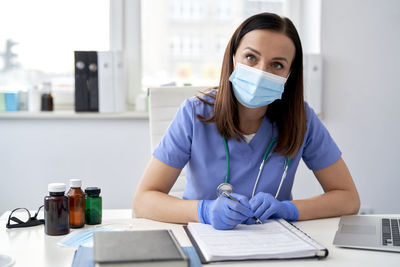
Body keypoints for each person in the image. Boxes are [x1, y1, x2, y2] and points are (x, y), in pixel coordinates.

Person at [133, 12, 360, 230]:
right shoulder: (194, 113)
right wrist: (204, 211)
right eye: (251, 57)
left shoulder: (303, 120)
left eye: (277, 64)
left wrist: (288, 209)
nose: (261, 72)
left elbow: (348, 199)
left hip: (274, 242)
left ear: (289, 75)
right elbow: (143, 201)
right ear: (233, 58)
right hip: (204, 237)